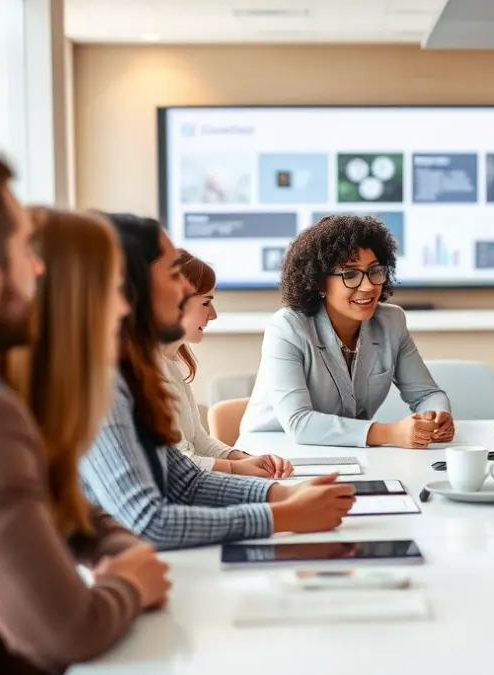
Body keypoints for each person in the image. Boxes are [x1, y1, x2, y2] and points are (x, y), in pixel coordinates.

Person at [0, 152, 167, 674]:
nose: (39, 269)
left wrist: (116, 551)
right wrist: (130, 583)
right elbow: (66, 632)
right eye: (24, 251)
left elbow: (53, 507)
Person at [80, 213, 355, 550]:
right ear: (131, 286)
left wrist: (283, 494)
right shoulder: (100, 382)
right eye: (171, 274)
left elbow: (185, 482)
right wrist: (282, 515)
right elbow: (149, 522)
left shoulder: (135, 371)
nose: (184, 288)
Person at [240, 214, 454, 447]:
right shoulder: (287, 328)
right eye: (350, 274)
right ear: (320, 283)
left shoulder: (392, 322)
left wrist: (436, 416)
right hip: (273, 453)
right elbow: (299, 423)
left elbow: (427, 395)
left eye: (374, 271)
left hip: (348, 452)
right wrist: (390, 434)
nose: (369, 285)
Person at [161, 249, 292, 478]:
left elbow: (199, 442)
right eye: (206, 303)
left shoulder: (174, 365)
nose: (213, 315)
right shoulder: (151, 373)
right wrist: (237, 468)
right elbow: (180, 462)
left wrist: (244, 458)